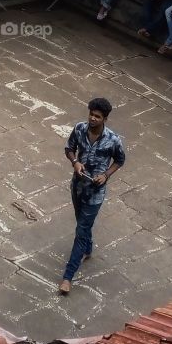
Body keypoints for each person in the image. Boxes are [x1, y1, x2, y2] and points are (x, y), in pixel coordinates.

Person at [58, 97, 126, 295]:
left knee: (81, 229)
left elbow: (120, 160)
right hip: (78, 187)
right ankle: (88, 248)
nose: (93, 119)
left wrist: (105, 175)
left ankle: (67, 277)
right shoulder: (79, 128)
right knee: (82, 223)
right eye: (91, 114)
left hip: (95, 193)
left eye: (97, 116)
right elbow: (68, 148)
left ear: (105, 119)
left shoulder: (113, 140)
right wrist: (75, 162)